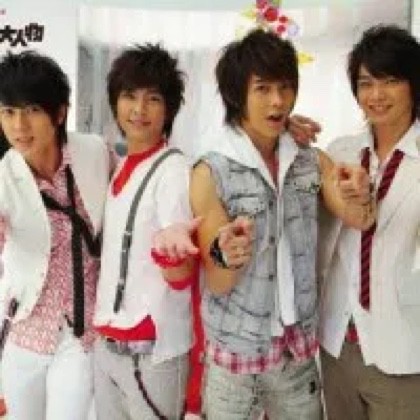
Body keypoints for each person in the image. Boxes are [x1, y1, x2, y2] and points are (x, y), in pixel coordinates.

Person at [189, 28, 374, 420]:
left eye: (285, 87)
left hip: (295, 356)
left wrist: (358, 191)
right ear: (237, 94)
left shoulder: (311, 160)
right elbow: (217, 281)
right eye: (263, 89)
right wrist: (226, 255)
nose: (277, 101)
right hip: (235, 360)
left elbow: (359, 217)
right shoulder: (211, 171)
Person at [0, 51, 111, 420]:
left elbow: (132, 191)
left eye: (31, 110)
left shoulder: (94, 153)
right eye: (8, 111)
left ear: (60, 113)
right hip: (26, 328)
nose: (19, 125)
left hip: (81, 333)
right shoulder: (3, 177)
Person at [317, 24, 420, 420]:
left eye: (390, 81)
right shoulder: (341, 152)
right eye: (366, 83)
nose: (376, 95)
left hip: (403, 349)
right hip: (337, 343)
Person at [93, 43, 200, 420]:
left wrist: (173, 254)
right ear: (115, 102)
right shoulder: (120, 166)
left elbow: (181, 272)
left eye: (153, 98)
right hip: (107, 345)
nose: (139, 109)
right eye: (129, 96)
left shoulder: (173, 170)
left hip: (150, 351)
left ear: (168, 109)